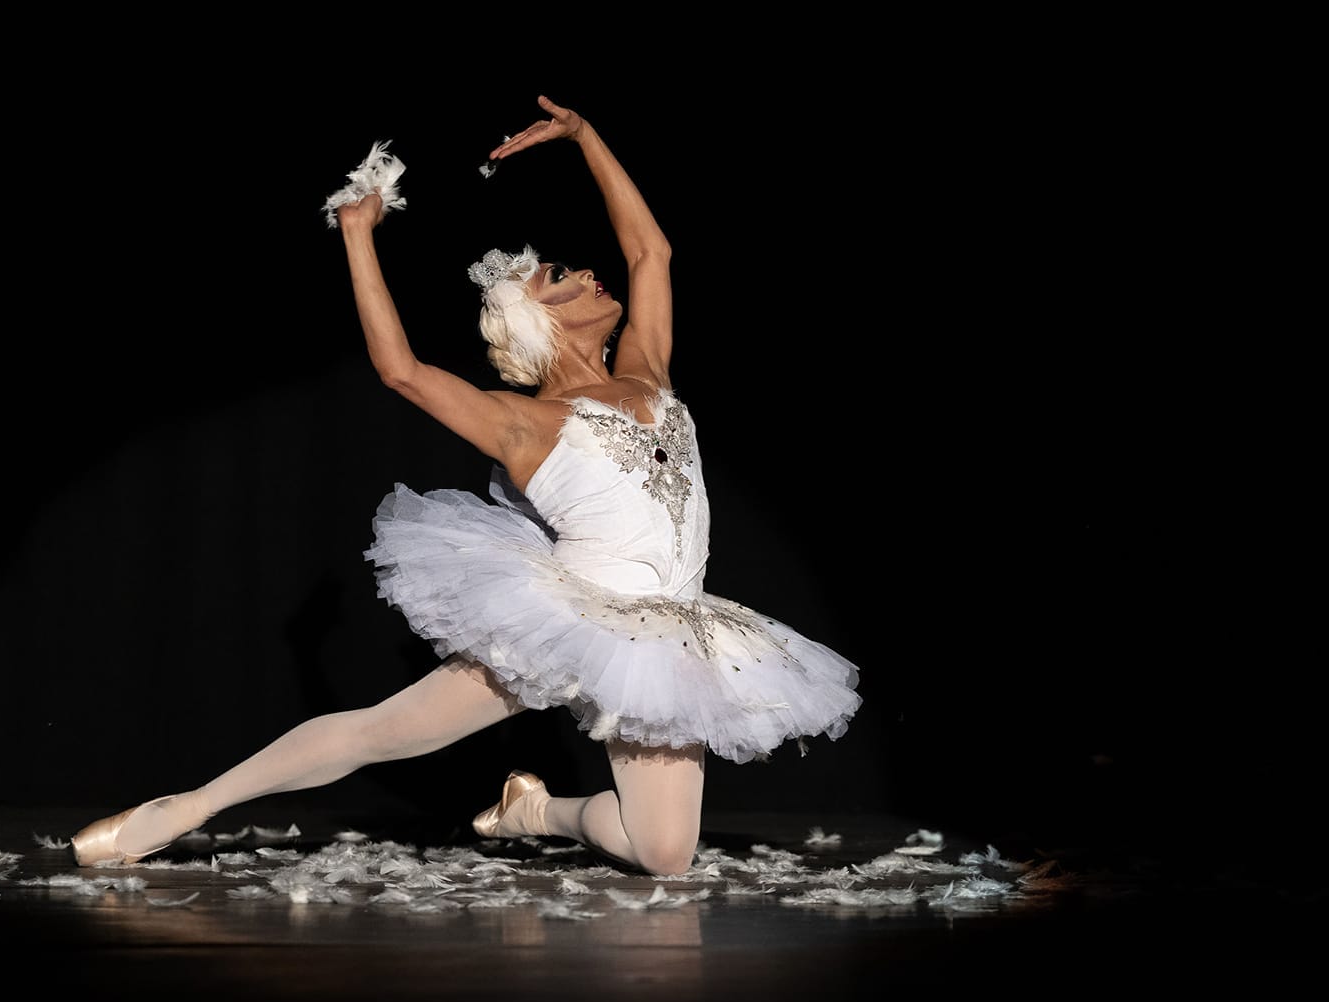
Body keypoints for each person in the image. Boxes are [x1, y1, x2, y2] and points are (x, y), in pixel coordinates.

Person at [71, 95, 862, 877]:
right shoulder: (528, 423)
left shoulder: (646, 372)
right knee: (386, 731)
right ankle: (184, 807)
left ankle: (534, 811)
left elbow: (651, 252)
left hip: (665, 636)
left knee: (664, 856)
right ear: (537, 321)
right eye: (562, 276)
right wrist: (357, 235)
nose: (590, 273)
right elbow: (400, 371)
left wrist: (586, 136)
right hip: (569, 616)